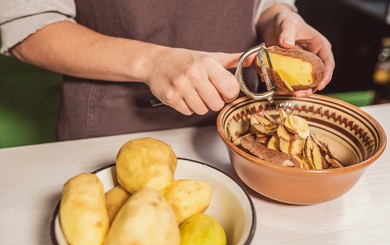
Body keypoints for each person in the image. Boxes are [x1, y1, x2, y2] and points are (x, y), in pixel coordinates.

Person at [0, 0, 334, 141]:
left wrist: (280, 19)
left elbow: (263, 4)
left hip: (239, 131)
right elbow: (28, 24)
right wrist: (151, 62)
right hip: (113, 132)